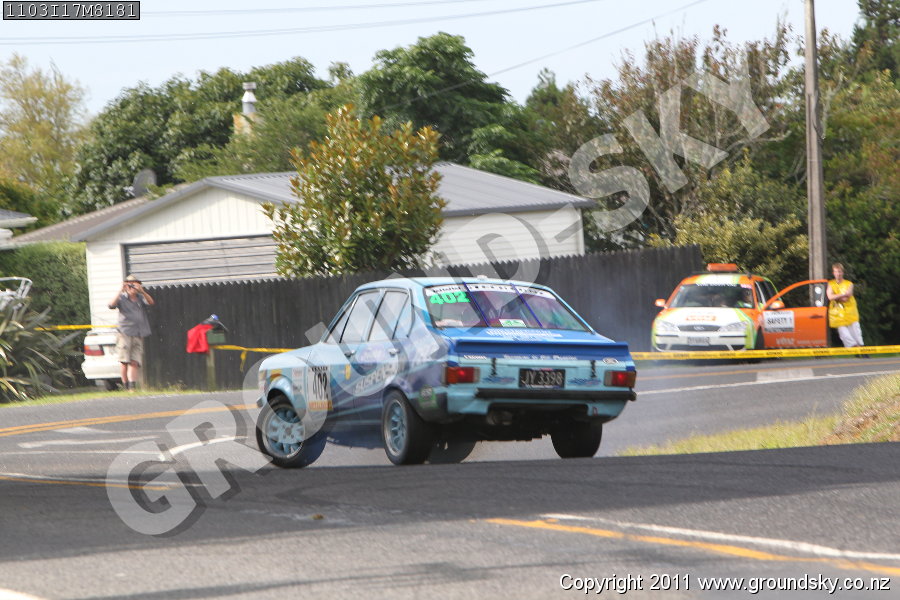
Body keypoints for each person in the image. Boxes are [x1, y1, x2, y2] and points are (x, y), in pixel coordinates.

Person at [108, 274, 154, 389]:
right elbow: (111, 305)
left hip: (138, 333)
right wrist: (120, 290)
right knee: (124, 361)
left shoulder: (141, 298)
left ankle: (132, 386)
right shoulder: (122, 298)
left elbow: (151, 302)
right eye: (130, 285)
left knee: (135, 361)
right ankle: (126, 385)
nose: (132, 287)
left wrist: (142, 291)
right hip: (125, 333)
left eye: (134, 284)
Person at [826, 263, 865, 351]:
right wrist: (843, 294)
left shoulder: (849, 284)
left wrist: (836, 296)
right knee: (844, 334)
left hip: (850, 311)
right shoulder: (830, 284)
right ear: (833, 273)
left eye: (839, 272)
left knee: (856, 331)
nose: (838, 274)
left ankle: (862, 349)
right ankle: (856, 349)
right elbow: (830, 297)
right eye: (836, 272)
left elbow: (846, 298)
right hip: (837, 314)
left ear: (842, 272)